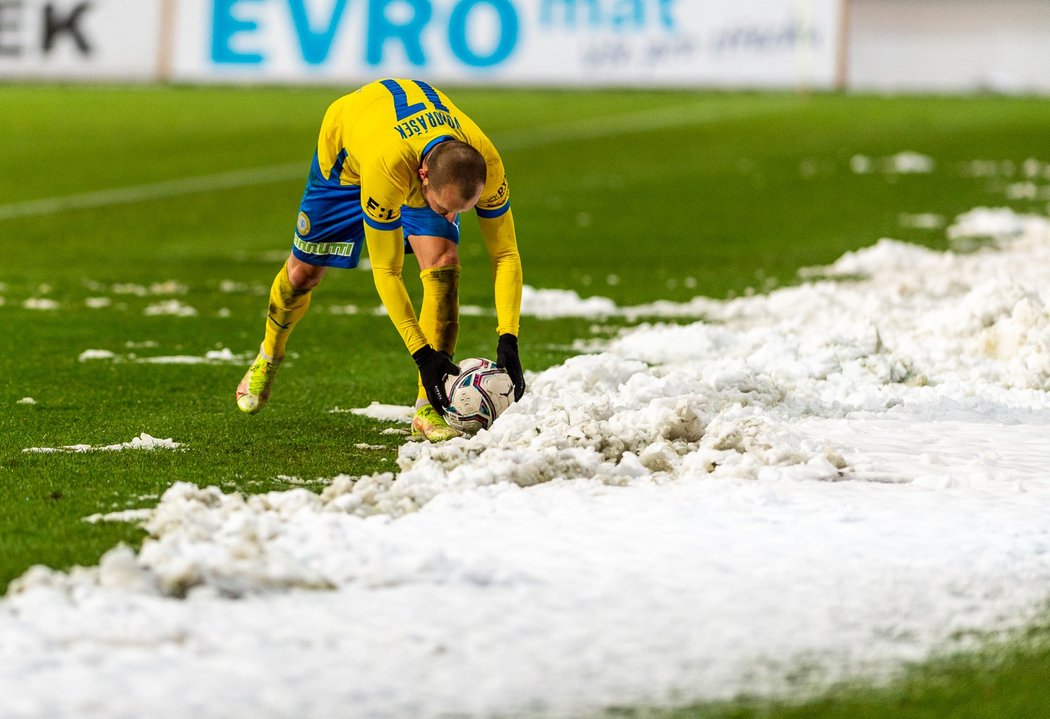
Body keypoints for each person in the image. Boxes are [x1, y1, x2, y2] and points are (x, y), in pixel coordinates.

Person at [235, 78, 525, 441]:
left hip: (409, 146)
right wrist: (423, 354)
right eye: (444, 207)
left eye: (459, 211)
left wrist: (509, 337)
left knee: (444, 265)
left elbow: (506, 253)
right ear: (422, 179)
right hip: (348, 155)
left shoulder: (487, 162)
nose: (450, 218)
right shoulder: (388, 168)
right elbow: (387, 270)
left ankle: (426, 407)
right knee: (302, 276)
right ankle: (269, 354)